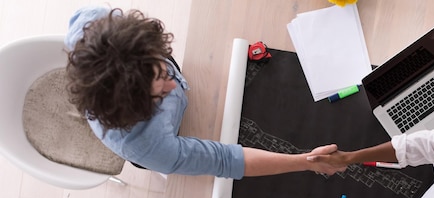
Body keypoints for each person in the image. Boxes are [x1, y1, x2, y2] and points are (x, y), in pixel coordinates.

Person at [64, 6, 343, 177]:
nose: (172, 84)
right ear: (138, 108)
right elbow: (224, 159)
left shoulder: (93, 23)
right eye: (160, 92)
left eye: (161, 71)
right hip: (161, 143)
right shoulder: (149, 146)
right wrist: (306, 162)